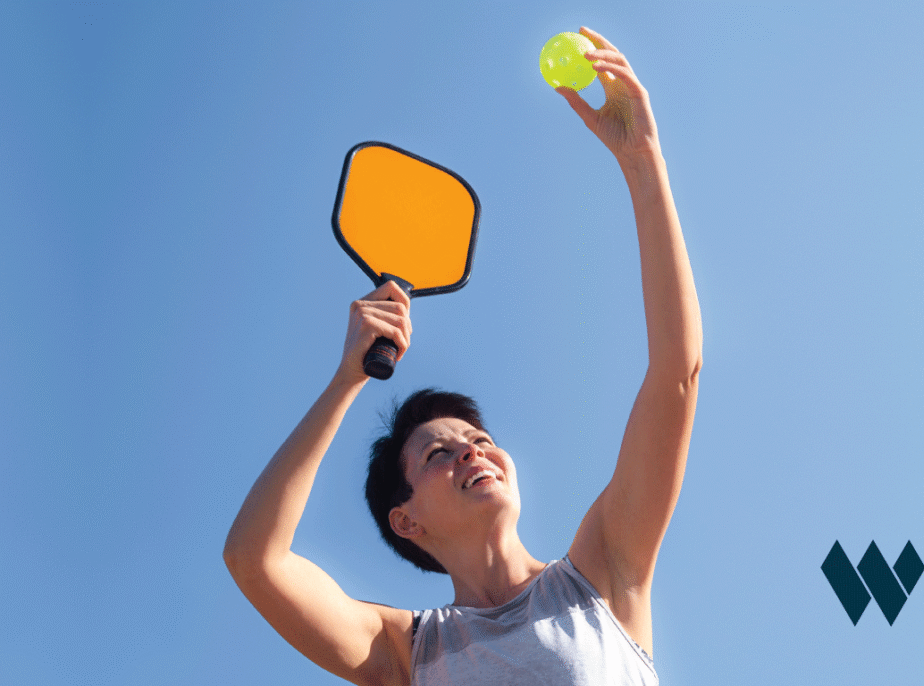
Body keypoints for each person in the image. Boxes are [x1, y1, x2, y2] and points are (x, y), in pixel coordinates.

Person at [223, 26, 702, 686]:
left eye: (477, 439)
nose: (473, 452)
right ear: (406, 519)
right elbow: (255, 561)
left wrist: (643, 162)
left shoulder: (603, 574)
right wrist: (344, 381)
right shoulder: (406, 652)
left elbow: (677, 372)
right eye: (439, 455)